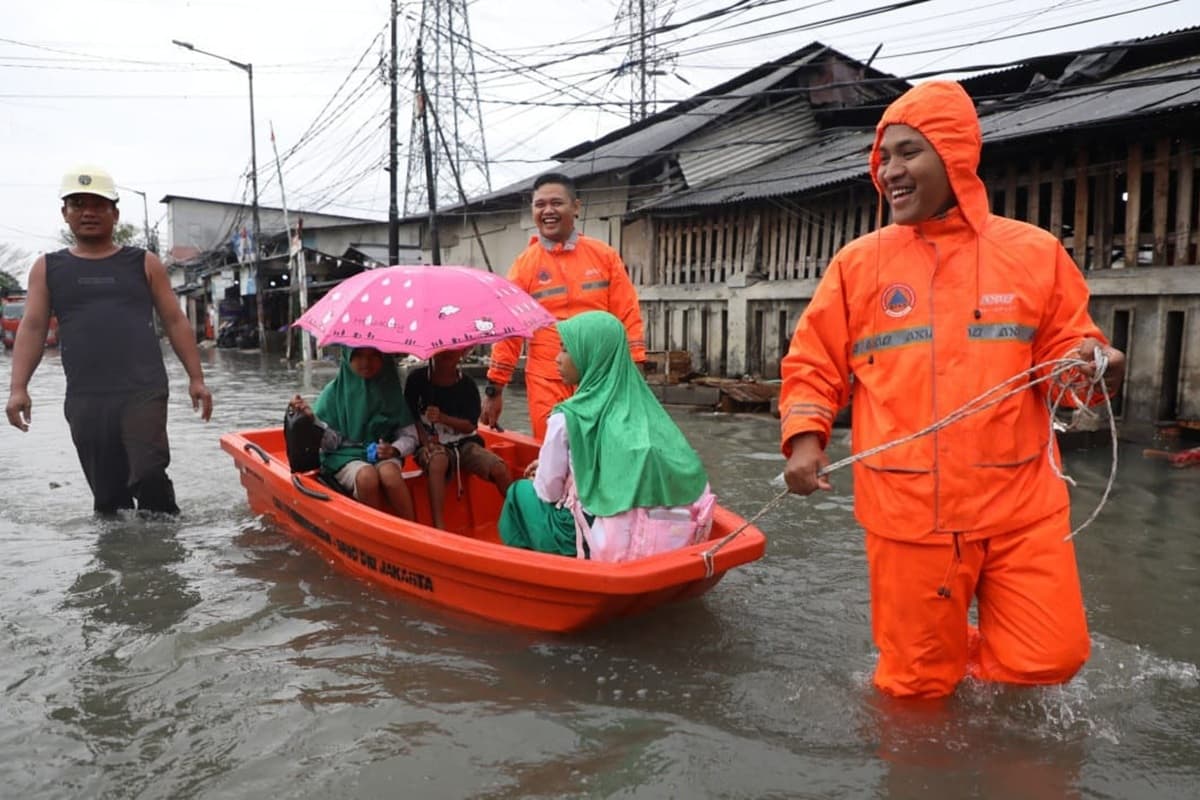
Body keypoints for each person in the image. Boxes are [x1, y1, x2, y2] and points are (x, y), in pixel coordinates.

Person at [778, 81, 1126, 699]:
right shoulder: (859, 264)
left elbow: (1066, 360)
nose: (889, 171)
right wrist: (806, 438)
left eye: (908, 152)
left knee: (1052, 658)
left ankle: (965, 656)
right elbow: (813, 361)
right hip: (909, 514)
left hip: (1020, 504)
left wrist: (1094, 370)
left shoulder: (1034, 254)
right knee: (914, 691)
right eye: (883, 157)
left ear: (956, 154)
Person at [5, 165, 213, 515]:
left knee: (148, 471)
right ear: (65, 214)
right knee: (108, 497)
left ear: (115, 213)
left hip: (143, 388)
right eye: (78, 203)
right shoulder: (47, 267)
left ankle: (164, 552)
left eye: (99, 204)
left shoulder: (144, 263)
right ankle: (117, 559)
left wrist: (196, 378)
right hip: (86, 395)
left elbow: (175, 320)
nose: (88, 212)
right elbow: (33, 326)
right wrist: (18, 388)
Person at [498, 311, 715, 561]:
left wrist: (547, 470)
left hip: (585, 538)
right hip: (653, 536)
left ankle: (530, 570)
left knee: (519, 492)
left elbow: (548, 491)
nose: (557, 359)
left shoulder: (566, 417)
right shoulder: (646, 411)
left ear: (591, 356)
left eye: (566, 350)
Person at [480, 172, 646, 441]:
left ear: (576, 207)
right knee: (551, 450)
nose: (548, 211)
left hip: (600, 378)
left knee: (603, 448)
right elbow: (509, 332)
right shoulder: (524, 266)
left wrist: (636, 368)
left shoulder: (604, 256)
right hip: (547, 380)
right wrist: (494, 388)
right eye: (539, 205)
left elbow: (627, 314)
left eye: (556, 203)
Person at [289, 347, 418, 519]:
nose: (366, 362)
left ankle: (413, 527)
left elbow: (410, 436)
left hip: (383, 454)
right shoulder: (333, 393)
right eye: (358, 356)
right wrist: (312, 420)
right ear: (347, 358)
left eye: (373, 356)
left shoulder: (391, 392)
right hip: (344, 456)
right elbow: (330, 444)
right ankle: (377, 531)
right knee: (367, 477)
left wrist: (394, 449)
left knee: (391, 475)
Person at [404, 347, 513, 529]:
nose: (448, 353)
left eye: (454, 350)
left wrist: (442, 418)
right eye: (442, 349)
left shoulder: (467, 385)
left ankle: (520, 516)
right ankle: (439, 527)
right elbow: (409, 417)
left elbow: (470, 425)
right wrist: (426, 441)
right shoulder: (417, 380)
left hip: (465, 443)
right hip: (429, 444)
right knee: (437, 461)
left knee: (499, 468)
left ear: (462, 353)